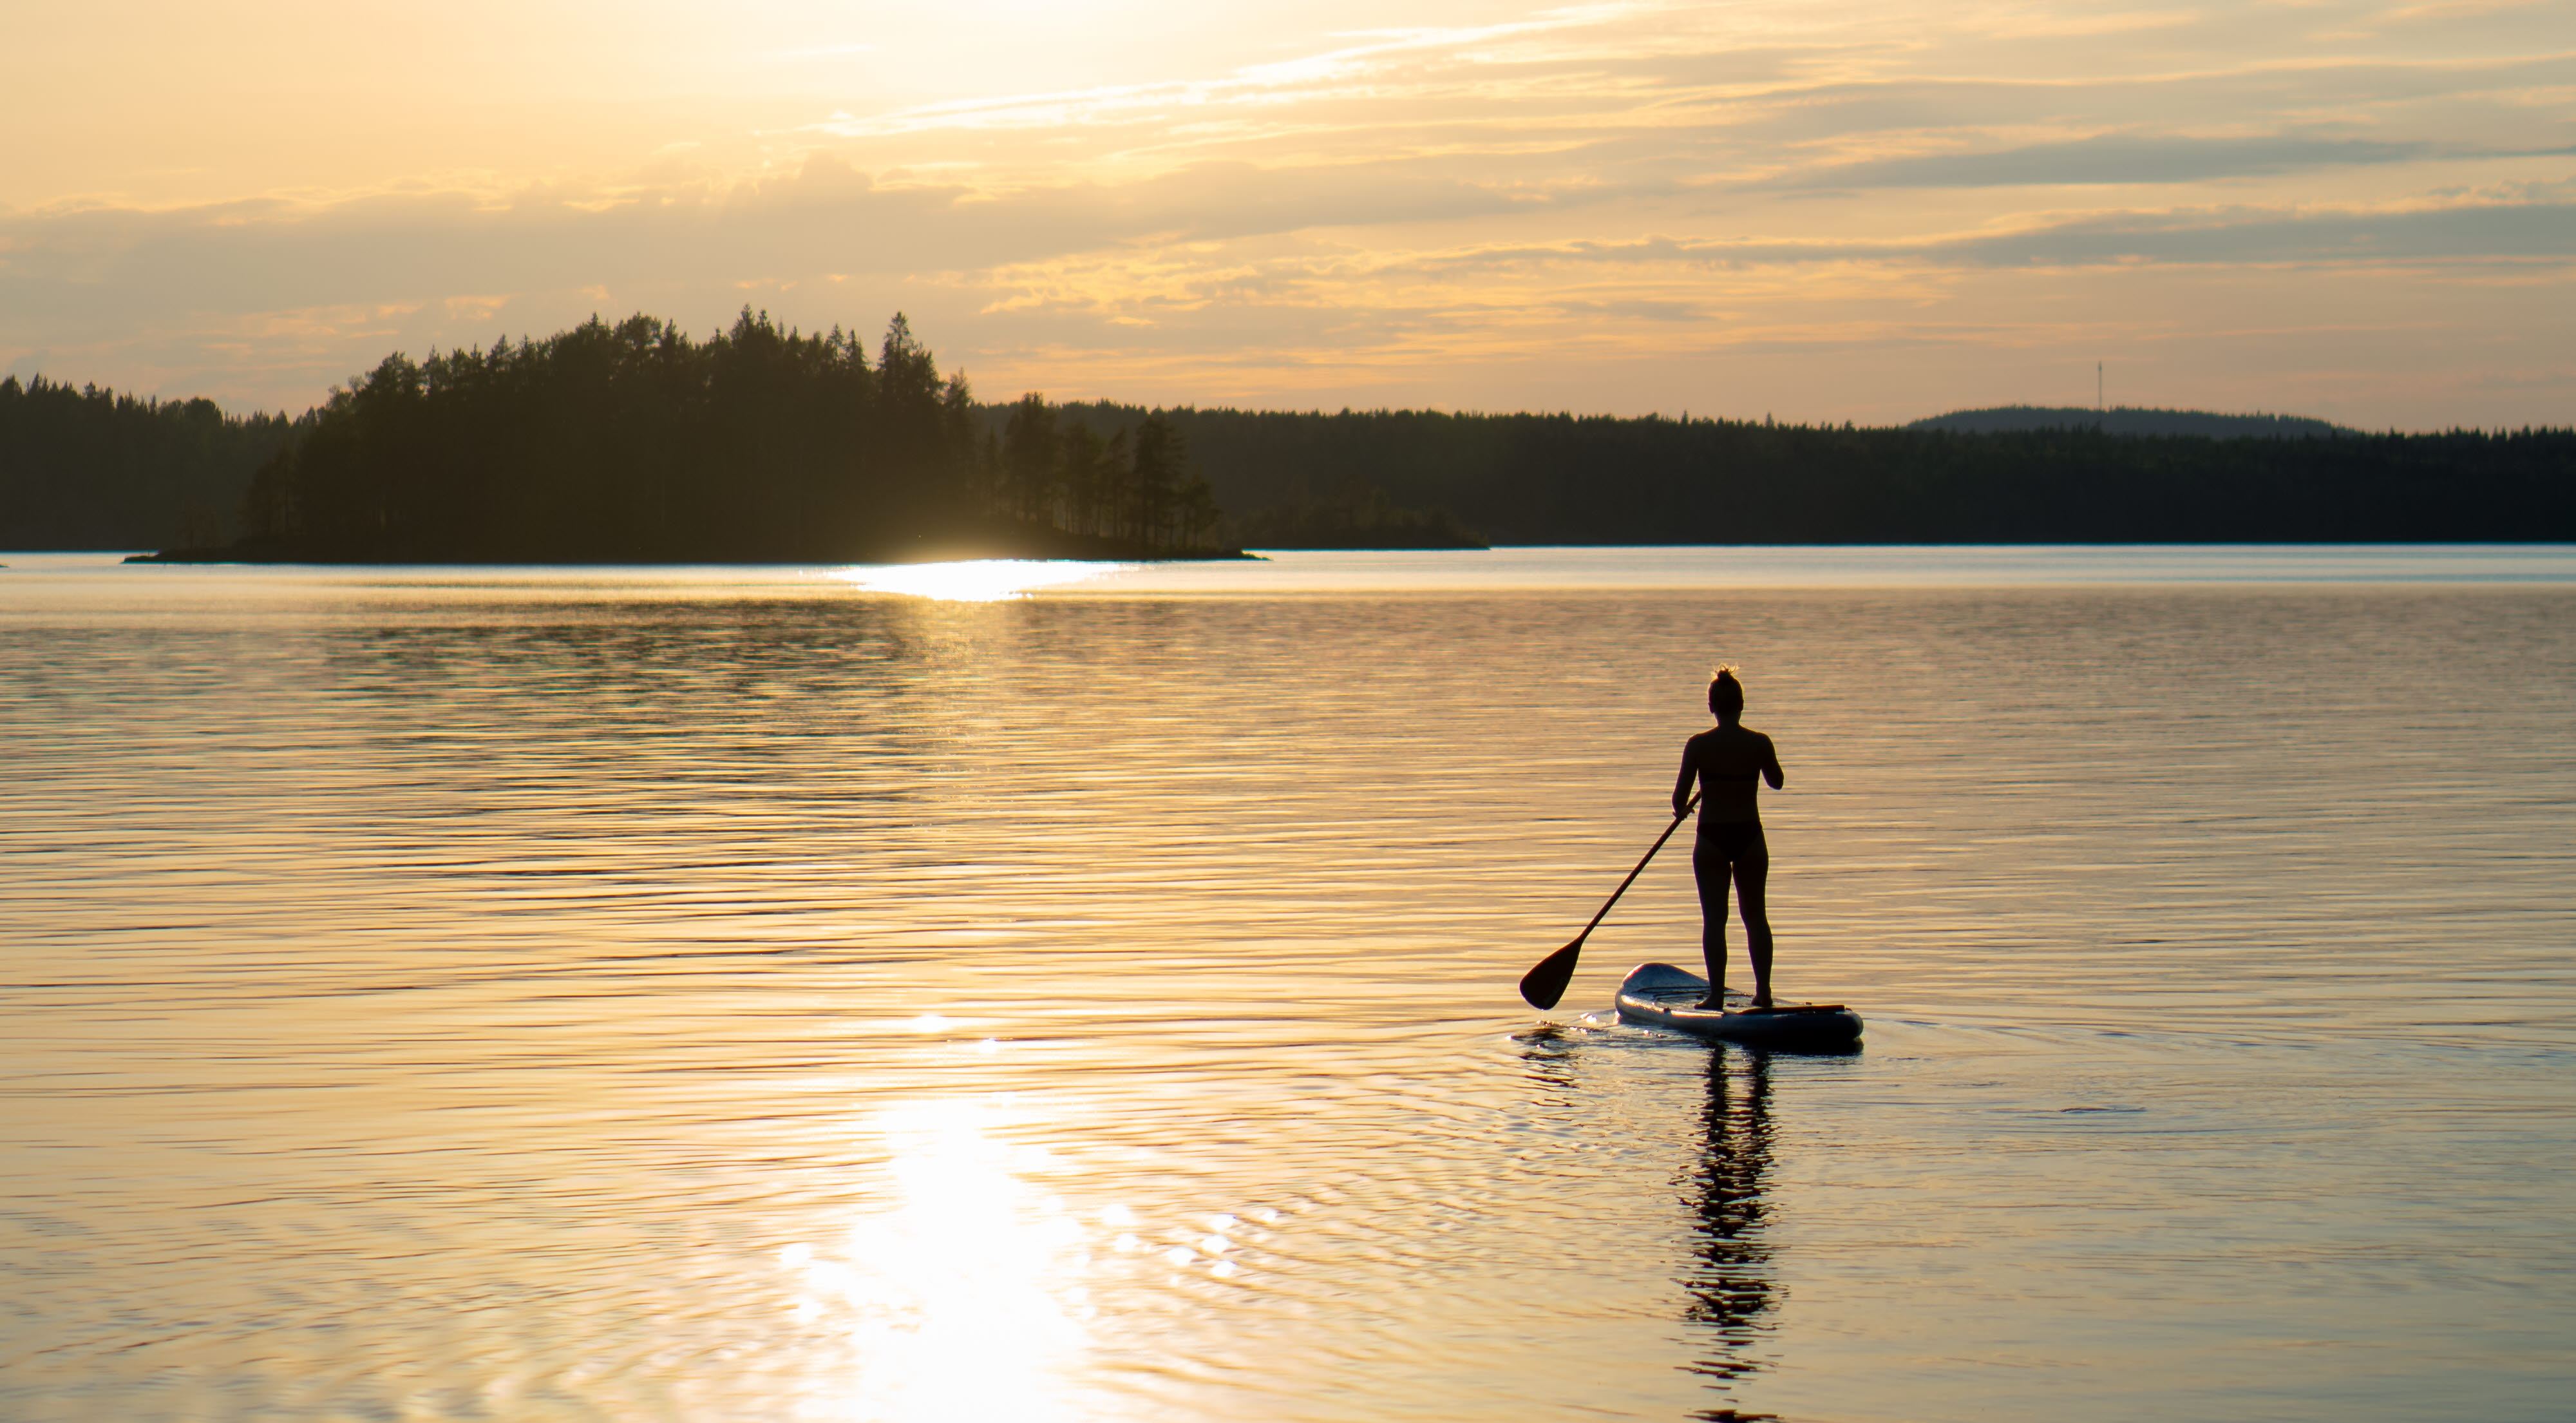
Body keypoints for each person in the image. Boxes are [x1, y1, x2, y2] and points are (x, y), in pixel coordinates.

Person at [1672, 667, 1784, 1010]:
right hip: (1750, 836)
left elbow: (1679, 801)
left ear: (1711, 707)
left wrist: (1691, 803)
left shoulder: (1698, 745)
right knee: (1756, 918)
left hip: (1712, 840)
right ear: (1742, 705)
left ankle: (1717, 996)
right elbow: (1776, 781)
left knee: (1714, 920)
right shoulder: (1760, 742)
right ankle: (1763, 994)